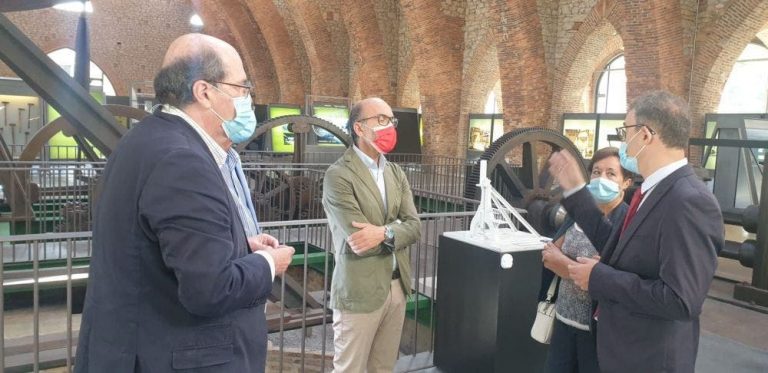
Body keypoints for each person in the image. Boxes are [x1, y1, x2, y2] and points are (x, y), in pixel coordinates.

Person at [75, 34, 295, 372]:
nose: (247, 99)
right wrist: (268, 262)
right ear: (205, 92)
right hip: (178, 355)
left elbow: (160, 243)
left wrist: (238, 245)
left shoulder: (144, 139)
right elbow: (210, 289)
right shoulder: (183, 160)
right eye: (242, 88)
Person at [548, 90, 724, 373]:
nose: (623, 140)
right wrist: (577, 191)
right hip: (624, 352)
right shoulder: (650, 191)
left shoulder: (689, 200)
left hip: (649, 359)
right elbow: (616, 249)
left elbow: (680, 300)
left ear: (645, 135)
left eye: (625, 130)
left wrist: (598, 278)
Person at [322, 97, 421, 373]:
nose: (388, 126)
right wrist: (394, 232)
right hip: (359, 291)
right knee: (350, 369)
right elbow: (359, 241)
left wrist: (384, 232)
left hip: (396, 288)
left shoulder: (396, 173)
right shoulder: (338, 175)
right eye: (380, 119)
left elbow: (415, 226)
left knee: (383, 368)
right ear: (359, 128)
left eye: (391, 120)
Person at [539, 147, 632, 373]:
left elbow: (613, 273)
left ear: (626, 182)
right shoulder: (575, 215)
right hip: (562, 321)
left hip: (596, 332)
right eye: (596, 172)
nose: (602, 179)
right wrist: (580, 268)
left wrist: (567, 266)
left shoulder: (627, 223)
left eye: (611, 174)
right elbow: (550, 255)